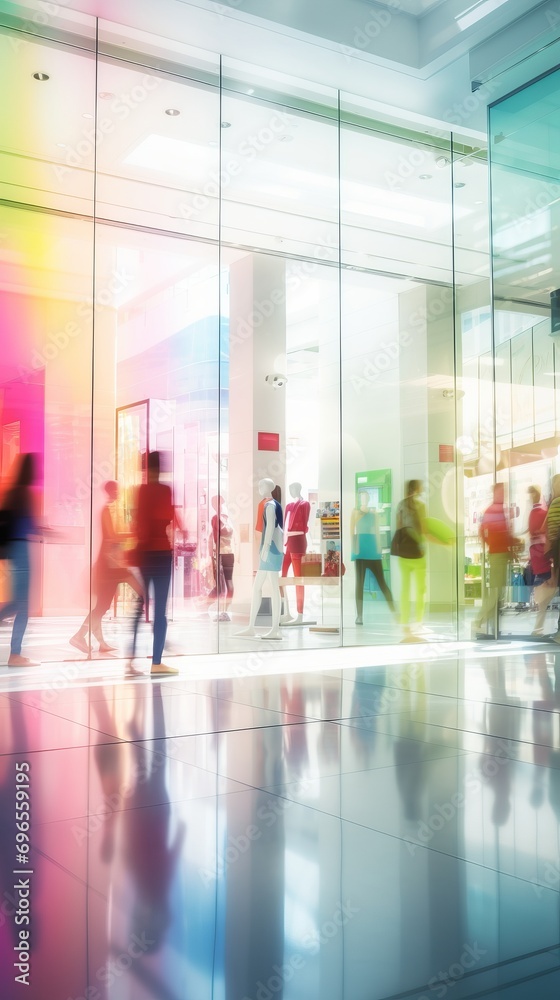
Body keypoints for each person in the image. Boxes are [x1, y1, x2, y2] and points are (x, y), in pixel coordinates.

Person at [70, 481, 143, 655]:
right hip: (110, 565)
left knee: (102, 606)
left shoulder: (112, 510)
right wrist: (133, 534)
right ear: (110, 491)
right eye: (115, 490)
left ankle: (99, 642)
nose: (117, 493)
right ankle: (79, 636)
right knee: (137, 593)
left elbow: (115, 537)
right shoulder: (107, 510)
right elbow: (112, 537)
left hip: (114, 564)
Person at [128, 451, 184, 677]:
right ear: (160, 468)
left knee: (139, 608)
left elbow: (137, 523)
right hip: (160, 553)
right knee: (159, 610)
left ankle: (130, 661)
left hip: (143, 554)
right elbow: (168, 517)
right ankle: (157, 662)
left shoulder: (139, 491)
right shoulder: (164, 490)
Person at [0, 454, 41, 666]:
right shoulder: (25, 494)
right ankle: (15, 655)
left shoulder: (13, 492)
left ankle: (16, 653)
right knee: (23, 605)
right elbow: (32, 526)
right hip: (22, 550)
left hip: (14, 551)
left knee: (17, 602)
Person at [236, 478, 284, 640]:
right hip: (270, 550)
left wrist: (264, 548)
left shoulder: (270, 505)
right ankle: (252, 627)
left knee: (272, 588)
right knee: (258, 587)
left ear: (268, 488)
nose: (259, 488)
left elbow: (270, 527)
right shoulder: (270, 504)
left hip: (270, 550)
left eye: (261, 485)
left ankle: (275, 629)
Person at [474, 482, 518, 637]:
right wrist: (495, 546)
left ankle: (492, 626)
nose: (503, 494)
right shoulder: (493, 511)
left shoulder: (497, 510)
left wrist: (509, 546)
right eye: (501, 492)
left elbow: (498, 534)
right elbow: (486, 532)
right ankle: (479, 621)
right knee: (495, 592)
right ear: (495, 493)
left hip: (500, 553)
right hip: (497, 554)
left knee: (498, 592)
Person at [351, 490, 395, 626]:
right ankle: (359, 616)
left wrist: (379, 548)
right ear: (358, 499)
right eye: (361, 497)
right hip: (360, 549)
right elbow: (351, 529)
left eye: (366, 496)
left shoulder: (374, 513)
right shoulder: (355, 512)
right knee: (359, 583)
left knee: (382, 581)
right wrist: (354, 548)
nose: (364, 499)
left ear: (369, 498)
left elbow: (377, 530)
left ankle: (394, 611)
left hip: (372, 549)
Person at [395, 480, 427, 642]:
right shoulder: (420, 506)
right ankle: (418, 621)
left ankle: (405, 622)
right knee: (420, 589)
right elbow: (423, 528)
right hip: (417, 551)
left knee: (405, 589)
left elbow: (398, 527)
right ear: (416, 489)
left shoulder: (400, 505)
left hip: (404, 552)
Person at [525, 485, 554, 637]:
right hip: (545, 561)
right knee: (543, 599)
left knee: (542, 600)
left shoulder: (534, 514)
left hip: (540, 561)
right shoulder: (542, 513)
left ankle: (538, 629)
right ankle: (537, 630)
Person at [280, 482, 310, 625]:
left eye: (294, 489)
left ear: (299, 489)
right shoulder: (289, 506)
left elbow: (303, 526)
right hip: (288, 544)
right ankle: (287, 612)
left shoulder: (305, 504)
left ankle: (300, 614)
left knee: (299, 579)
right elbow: (285, 525)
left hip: (298, 542)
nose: (292, 491)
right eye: (290, 488)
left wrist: (291, 533)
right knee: (282, 578)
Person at [208, 495, 235, 621]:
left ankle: (221, 610)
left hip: (221, 553)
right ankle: (225, 610)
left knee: (221, 584)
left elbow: (215, 538)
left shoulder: (216, 518)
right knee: (228, 582)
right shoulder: (227, 518)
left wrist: (212, 555)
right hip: (230, 553)